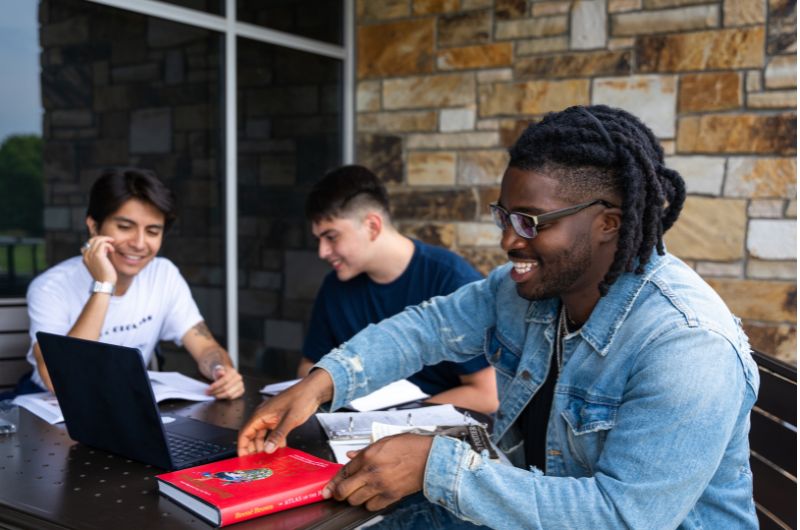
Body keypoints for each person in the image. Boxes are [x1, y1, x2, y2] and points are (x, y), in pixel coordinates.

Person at [238, 105, 760, 529]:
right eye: (505, 216)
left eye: (530, 222)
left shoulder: (688, 345)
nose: (509, 240)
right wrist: (321, 382)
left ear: (608, 223)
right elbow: (426, 328)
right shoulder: (531, 288)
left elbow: (625, 517)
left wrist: (434, 466)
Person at [24, 167, 244, 400]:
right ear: (94, 226)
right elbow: (60, 379)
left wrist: (221, 371)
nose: (139, 244)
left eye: (152, 231)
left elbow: (207, 348)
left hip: (124, 401)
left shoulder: (163, 274)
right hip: (52, 407)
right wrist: (104, 284)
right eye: (125, 227)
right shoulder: (50, 287)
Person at [298, 165, 497, 414]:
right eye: (319, 240)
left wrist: (398, 421)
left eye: (332, 236)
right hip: (348, 430)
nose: (322, 252)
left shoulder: (451, 279)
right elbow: (308, 366)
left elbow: (487, 394)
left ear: (372, 226)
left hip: (436, 435)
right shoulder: (335, 286)